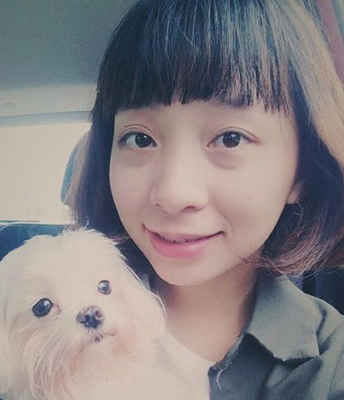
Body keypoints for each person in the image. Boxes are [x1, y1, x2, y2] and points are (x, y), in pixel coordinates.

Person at [69, 0, 344, 399]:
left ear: (300, 172)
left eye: (230, 138)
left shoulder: (330, 365)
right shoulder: (45, 315)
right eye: (140, 138)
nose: (172, 193)